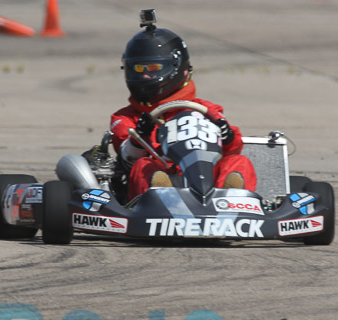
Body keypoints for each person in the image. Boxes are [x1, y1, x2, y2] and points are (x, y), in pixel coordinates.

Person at [109, 11, 258, 199]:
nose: (145, 76)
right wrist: (139, 138)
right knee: (143, 165)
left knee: (238, 161)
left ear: (177, 68)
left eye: (153, 69)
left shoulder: (207, 110)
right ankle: (161, 195)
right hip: (161, 183)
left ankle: (233, 199)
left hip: (207, 183)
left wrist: (228, 138)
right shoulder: (125, 118)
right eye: (138, 69)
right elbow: (127, 161)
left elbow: (232, 150)